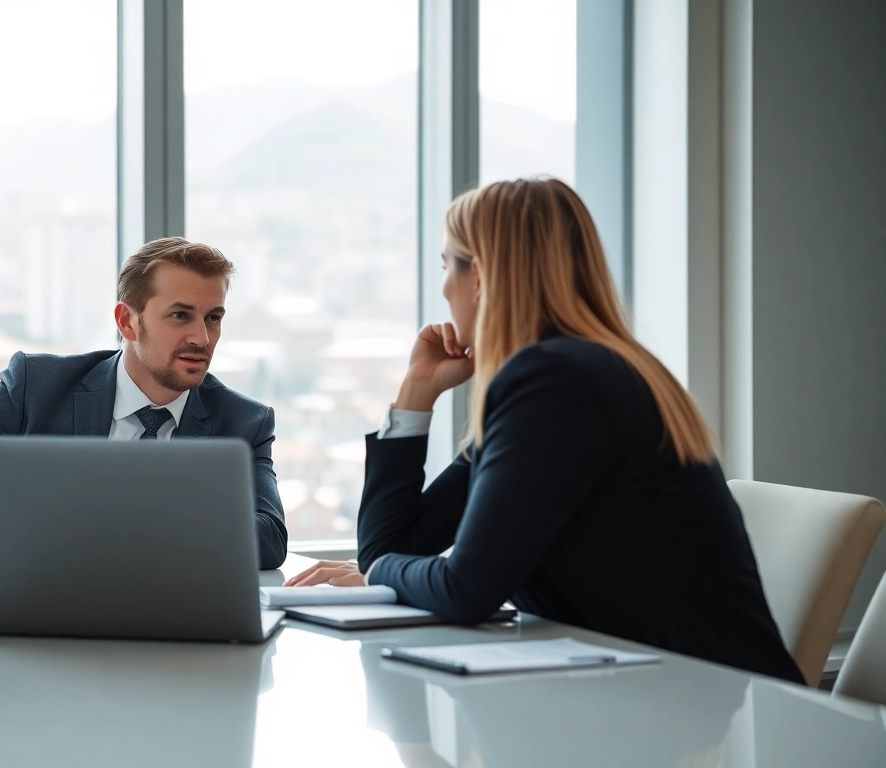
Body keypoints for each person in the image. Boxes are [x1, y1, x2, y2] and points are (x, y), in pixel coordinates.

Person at [287, 178, 804, 684]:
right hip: (670, 695)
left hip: (712, 708)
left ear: (482, 275)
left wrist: (379, 577)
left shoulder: (556, 381)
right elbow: (394, 544)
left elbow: (465, 588)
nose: (444, 287)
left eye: (448, 265)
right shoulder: (572, 374)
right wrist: (416, 394)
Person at [0, 237, 288, 572]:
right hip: (36, 619)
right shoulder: (34, 389)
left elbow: (269, 538)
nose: (202, 337)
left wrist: (137, 523)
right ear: (127, 321)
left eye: (213, 318)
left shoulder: (244, 421)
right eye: (180, 316)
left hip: (176, 625)